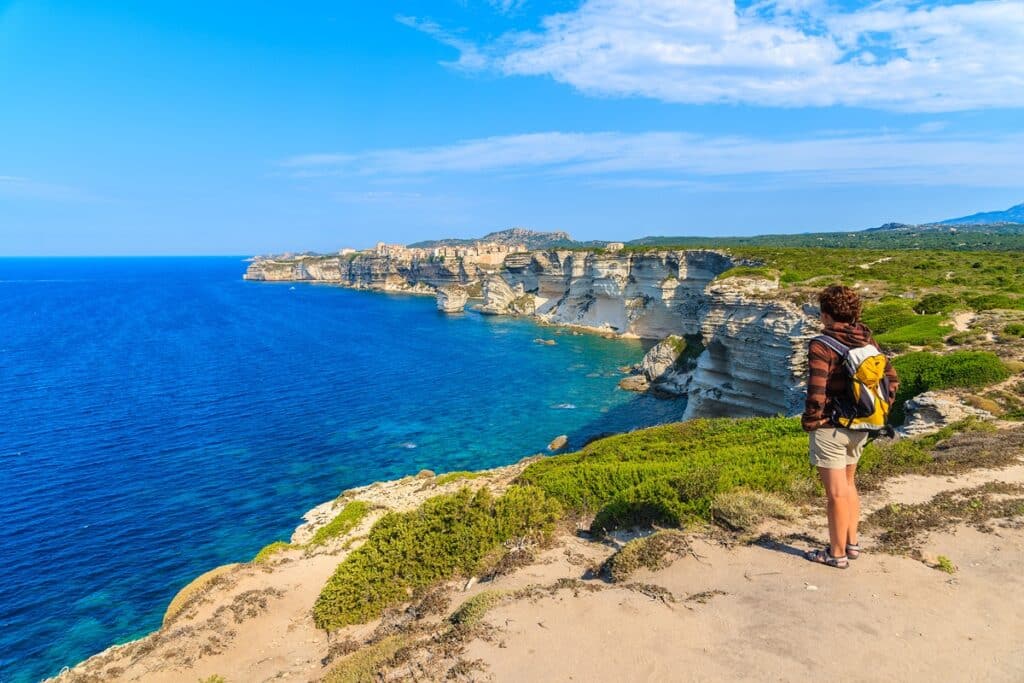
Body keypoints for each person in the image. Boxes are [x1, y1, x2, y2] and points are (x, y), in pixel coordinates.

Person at [802, 285, 898, 569]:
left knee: (835, 494)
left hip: (832, 427)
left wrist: (812, 421)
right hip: (861, 425)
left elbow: (816, 389)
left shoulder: (822, 344)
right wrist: (877, 410)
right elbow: (892, 380)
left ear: (827, 316)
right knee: (848, 484)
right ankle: (851, 544)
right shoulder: (868, 342)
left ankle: (836, 554)